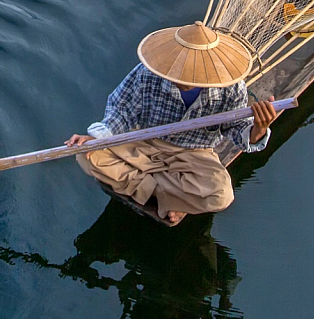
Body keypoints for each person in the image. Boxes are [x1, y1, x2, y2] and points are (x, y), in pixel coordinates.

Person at [67, 21, 278, 226]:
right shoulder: (149, 73)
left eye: (192, 76)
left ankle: (150, 188)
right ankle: (173, 198)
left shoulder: (231, 88)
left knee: (221, 195)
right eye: (180, 72)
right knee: (85, 154)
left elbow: (235, 129)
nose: (182, 80)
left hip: (194, 152)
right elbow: (122, 112)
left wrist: (258, 129)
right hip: (146, 141)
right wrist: (97, 138)